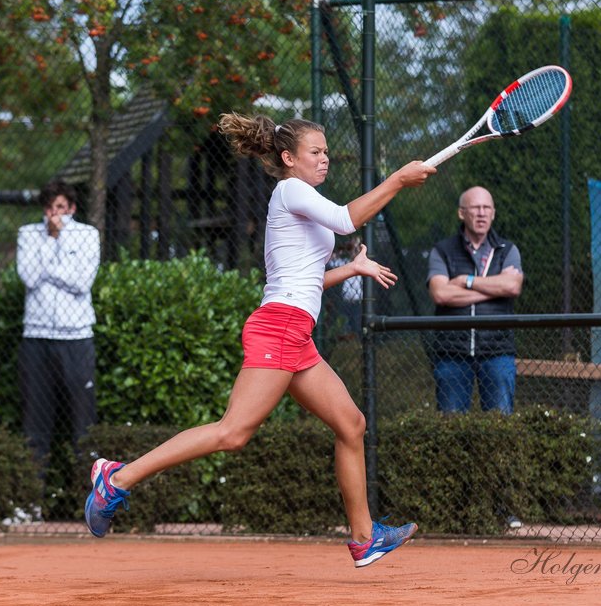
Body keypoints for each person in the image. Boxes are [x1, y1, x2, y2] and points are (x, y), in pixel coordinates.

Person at [84, 114, 435, 567]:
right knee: (232, 433)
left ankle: (365, 537)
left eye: (327, 151)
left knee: (351, 424)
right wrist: (399, 180)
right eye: (316, 152)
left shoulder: (302, 200)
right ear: (289, 158)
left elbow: (299, 279)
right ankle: (115, 479)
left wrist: (349, 269)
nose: (325, 158)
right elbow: (348, 220)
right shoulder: (291, 190)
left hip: (293, 329)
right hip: (280, 327)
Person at [16, 177, 100, 476]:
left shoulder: (87, 235)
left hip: (76, 337)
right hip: (36, 337)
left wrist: (57, 245)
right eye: (50, 208)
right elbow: (28, 277)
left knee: (83, 423)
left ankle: (89, 500)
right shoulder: (28, 234)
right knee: (35, 422)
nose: (55, 215)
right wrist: (51, 240)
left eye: (61, 208)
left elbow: (81, 283)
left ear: (72, 208)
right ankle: (29, 503)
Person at [426, 186, 524, 414]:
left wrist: (465, 281)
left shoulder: (507, 250)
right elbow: (441, 294)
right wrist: (494, 288)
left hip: (498, 352)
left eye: (487, 208)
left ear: (493, 213)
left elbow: (512, 285)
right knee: (451, 426)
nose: (482, 213)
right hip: (452, 353)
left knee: (500, 425)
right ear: (462, 213)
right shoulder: (442, 250)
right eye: (476, 207)